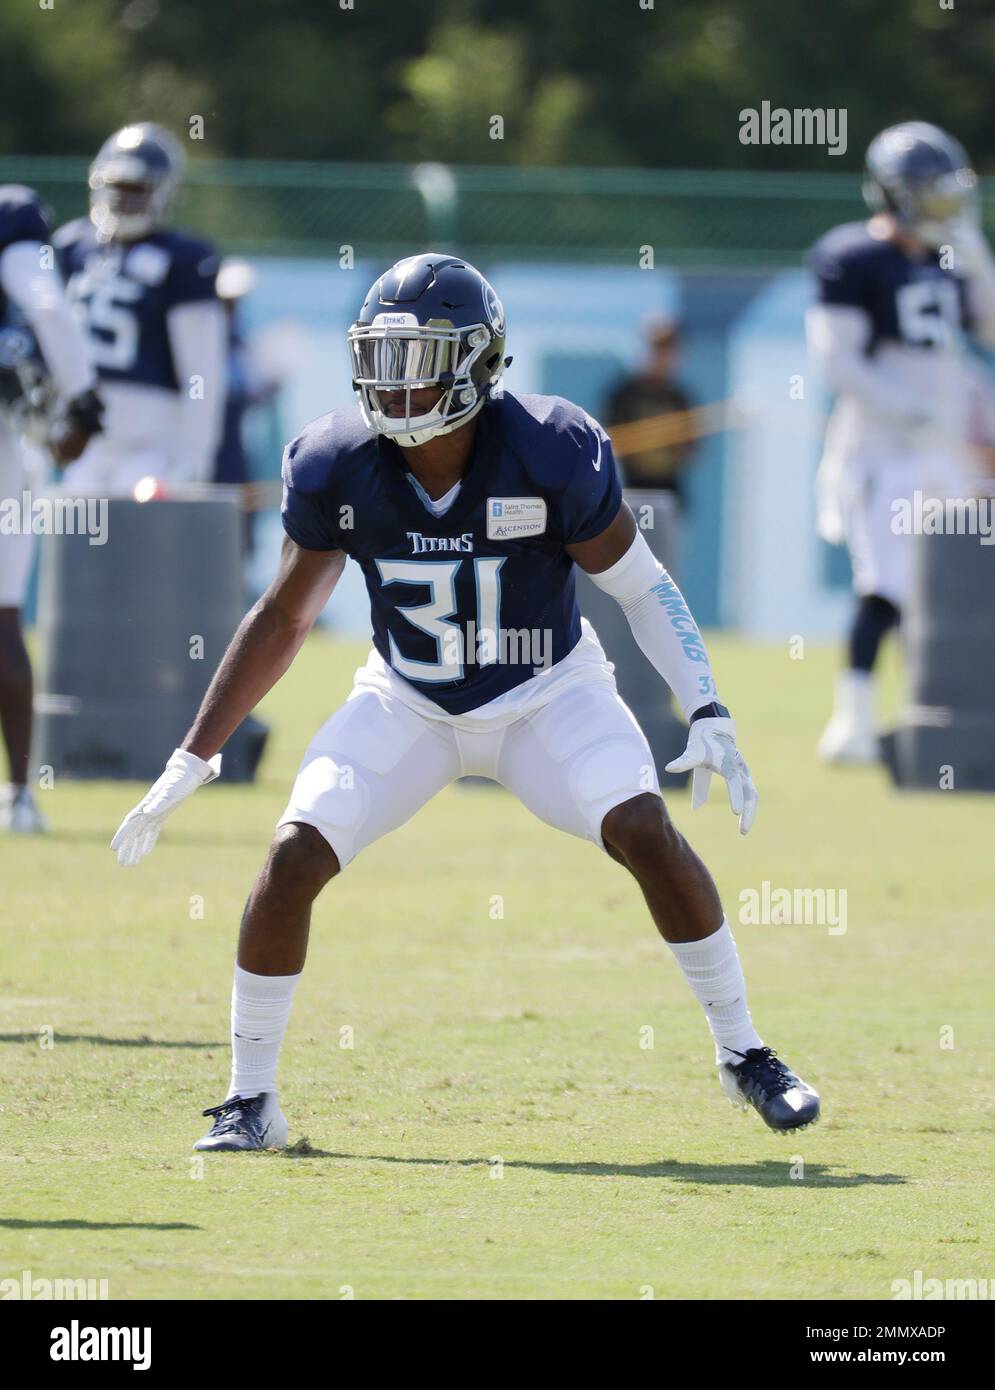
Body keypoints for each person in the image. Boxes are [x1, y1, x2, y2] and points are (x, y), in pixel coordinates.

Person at [110, 253, 819, 1150]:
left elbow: (639, 586)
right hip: (408, 702)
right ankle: (251, 1101)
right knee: (292, 856)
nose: (393, 383)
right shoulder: (336, 461)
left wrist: (705, 705)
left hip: (547, 696)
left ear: (479, 364)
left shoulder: (549, 448)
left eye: (419, 359)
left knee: (645, 828)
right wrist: (195, 751)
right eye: (382, 357)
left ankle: (743, 1052)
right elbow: (285, 614)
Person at [807, 122, 995, 762]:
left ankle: (933, 715)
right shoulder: (853, 256)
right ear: (898, 193)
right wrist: (912, 411)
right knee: (886, 586)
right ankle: (853, 720)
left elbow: (991, 332)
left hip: (948, 452)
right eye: (932, 192)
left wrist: (980, 261)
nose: (946, 204)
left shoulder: (947, 258)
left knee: (956, 589)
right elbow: (838, 364)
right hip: (884, 451)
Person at [0, 184, 103, 834]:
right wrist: (84, 396)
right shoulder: (12, 214)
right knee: (3, 618)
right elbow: (48, 306)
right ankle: (19, 797)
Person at [54, 123, 226, 497]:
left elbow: (202, 369)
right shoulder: (72, 246)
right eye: (119, 187)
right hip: (84, 437)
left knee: (140, 546)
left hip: (151, 443)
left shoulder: (183, 259)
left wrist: (196, 456)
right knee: (76, 543)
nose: (125, 200)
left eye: (137, 190)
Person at [604, 314, 697, 505]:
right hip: (629, 492)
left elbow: (691, 450)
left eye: (670, 348)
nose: (664, 356)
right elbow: (608, 442)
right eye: (658, 348)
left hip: (670, 495)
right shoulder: (623, 395)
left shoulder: (678, 397)